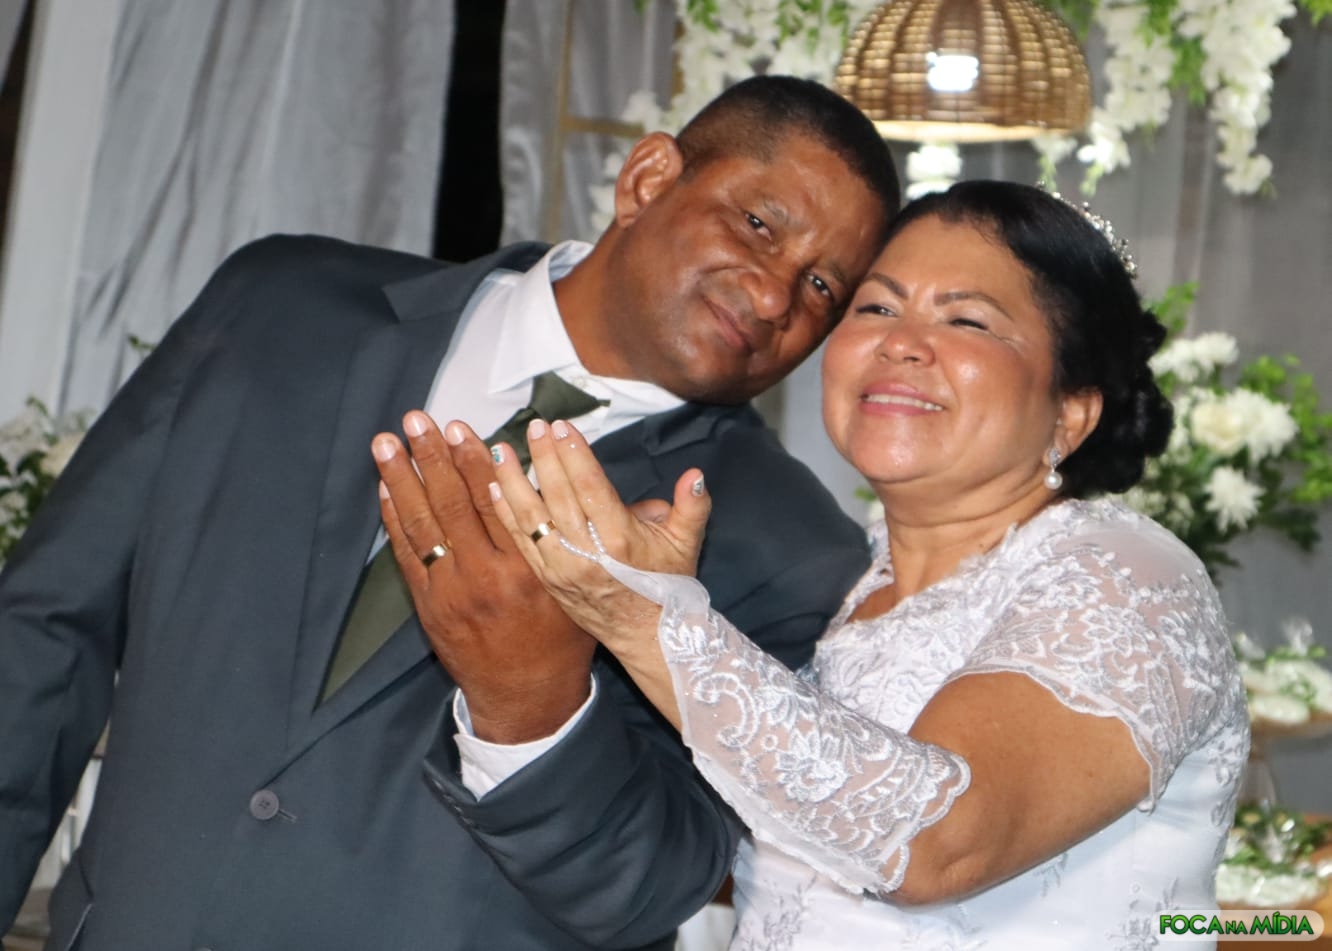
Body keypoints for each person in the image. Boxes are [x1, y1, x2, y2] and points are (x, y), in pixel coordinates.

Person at [0, 77, 901, 950]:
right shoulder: (281, 305)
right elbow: (44, 634)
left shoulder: (795, 554)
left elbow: (656, 887)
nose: (775, 297)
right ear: (648, 179)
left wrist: (535, 706)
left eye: (823, 287)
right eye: (758, 225)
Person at [379, 181, 1249, 948]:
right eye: (876, 307)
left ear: (1071, 412)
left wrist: (645, 614)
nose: (902, 342)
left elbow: (939, 843)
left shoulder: (1129, 574)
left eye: (967, 320)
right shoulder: (839, 585)